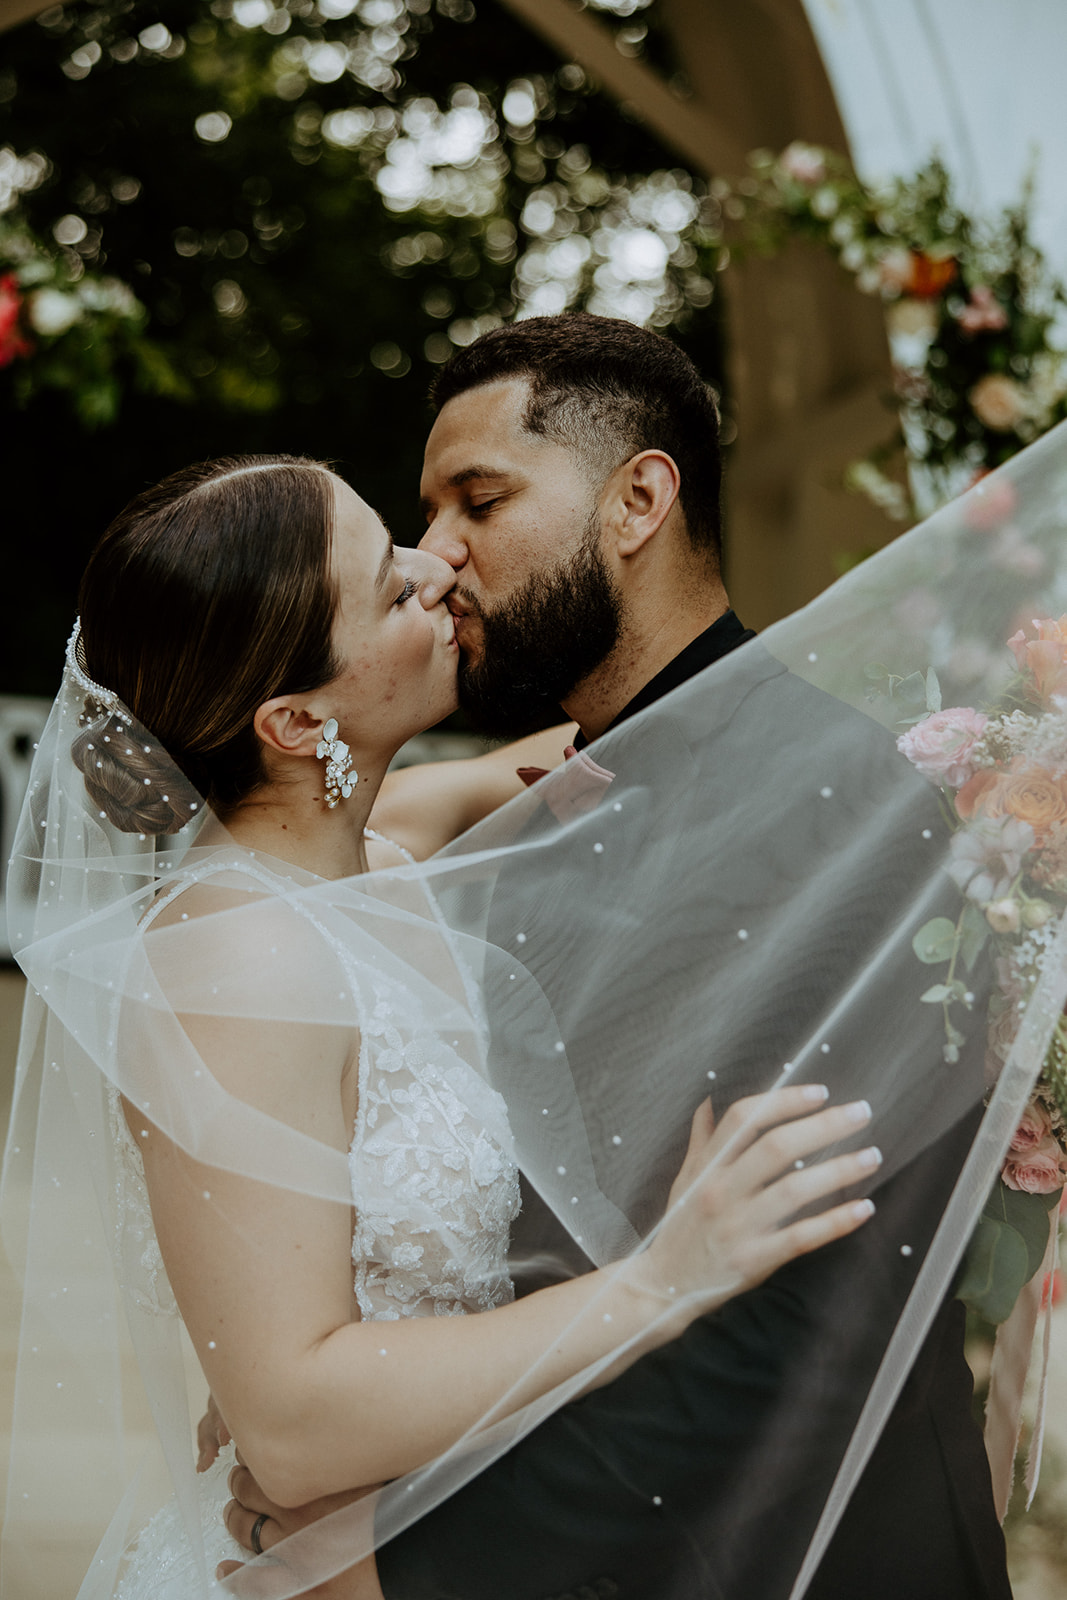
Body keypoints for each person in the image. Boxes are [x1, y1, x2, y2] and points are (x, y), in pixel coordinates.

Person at [224, 315, 1018, 1600]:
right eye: (427, 516)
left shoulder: (827, 805)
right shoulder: (549, 794)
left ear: (638, 499)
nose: (437, 556)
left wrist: (397, 1563)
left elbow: (790, 1325)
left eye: (478, 501)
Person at [0, 453, 882, 1600]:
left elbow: (559, 765)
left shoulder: (374, 856)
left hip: (455, 1533)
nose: (435, 567)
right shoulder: (236, 962)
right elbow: (295, 1425)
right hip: (324, 1567)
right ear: (291, 717)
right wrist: (663, 1280)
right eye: (388, 585)